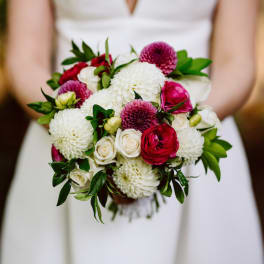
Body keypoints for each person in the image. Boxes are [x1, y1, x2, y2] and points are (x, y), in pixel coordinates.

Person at [1, 0, 263, 263]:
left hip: (193, 152)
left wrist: (176, 133)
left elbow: (237, 64)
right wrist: (84, 134)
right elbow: (26, 59)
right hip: (66, 147)